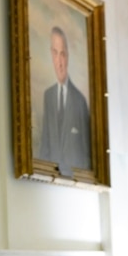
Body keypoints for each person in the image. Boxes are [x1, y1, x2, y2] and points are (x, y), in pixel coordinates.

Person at [38, 26, 91, 175]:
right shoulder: (47, 97)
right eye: (55, 53)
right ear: (51, 55)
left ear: (67, 56)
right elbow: (45, 148)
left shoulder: (80, 102)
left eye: (62, 54)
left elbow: (87, 157)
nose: (59, 62)